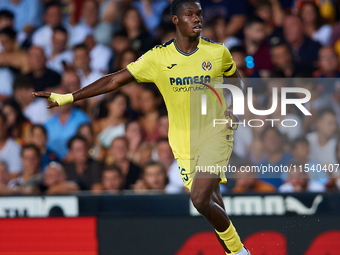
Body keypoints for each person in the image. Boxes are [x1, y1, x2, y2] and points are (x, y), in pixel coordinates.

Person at [33, 0, 250, 254]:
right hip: (182, 141)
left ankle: (239, 252)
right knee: (212, 202)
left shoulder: (217, 52)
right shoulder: (158, 58)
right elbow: (114, 79)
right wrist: (68, 97)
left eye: (199, 14)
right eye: (189, 14)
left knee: (200, 199)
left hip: (216, 133)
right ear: (176, 20)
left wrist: (234, 109)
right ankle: (234, 251)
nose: (197, 19)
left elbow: (237, 82)